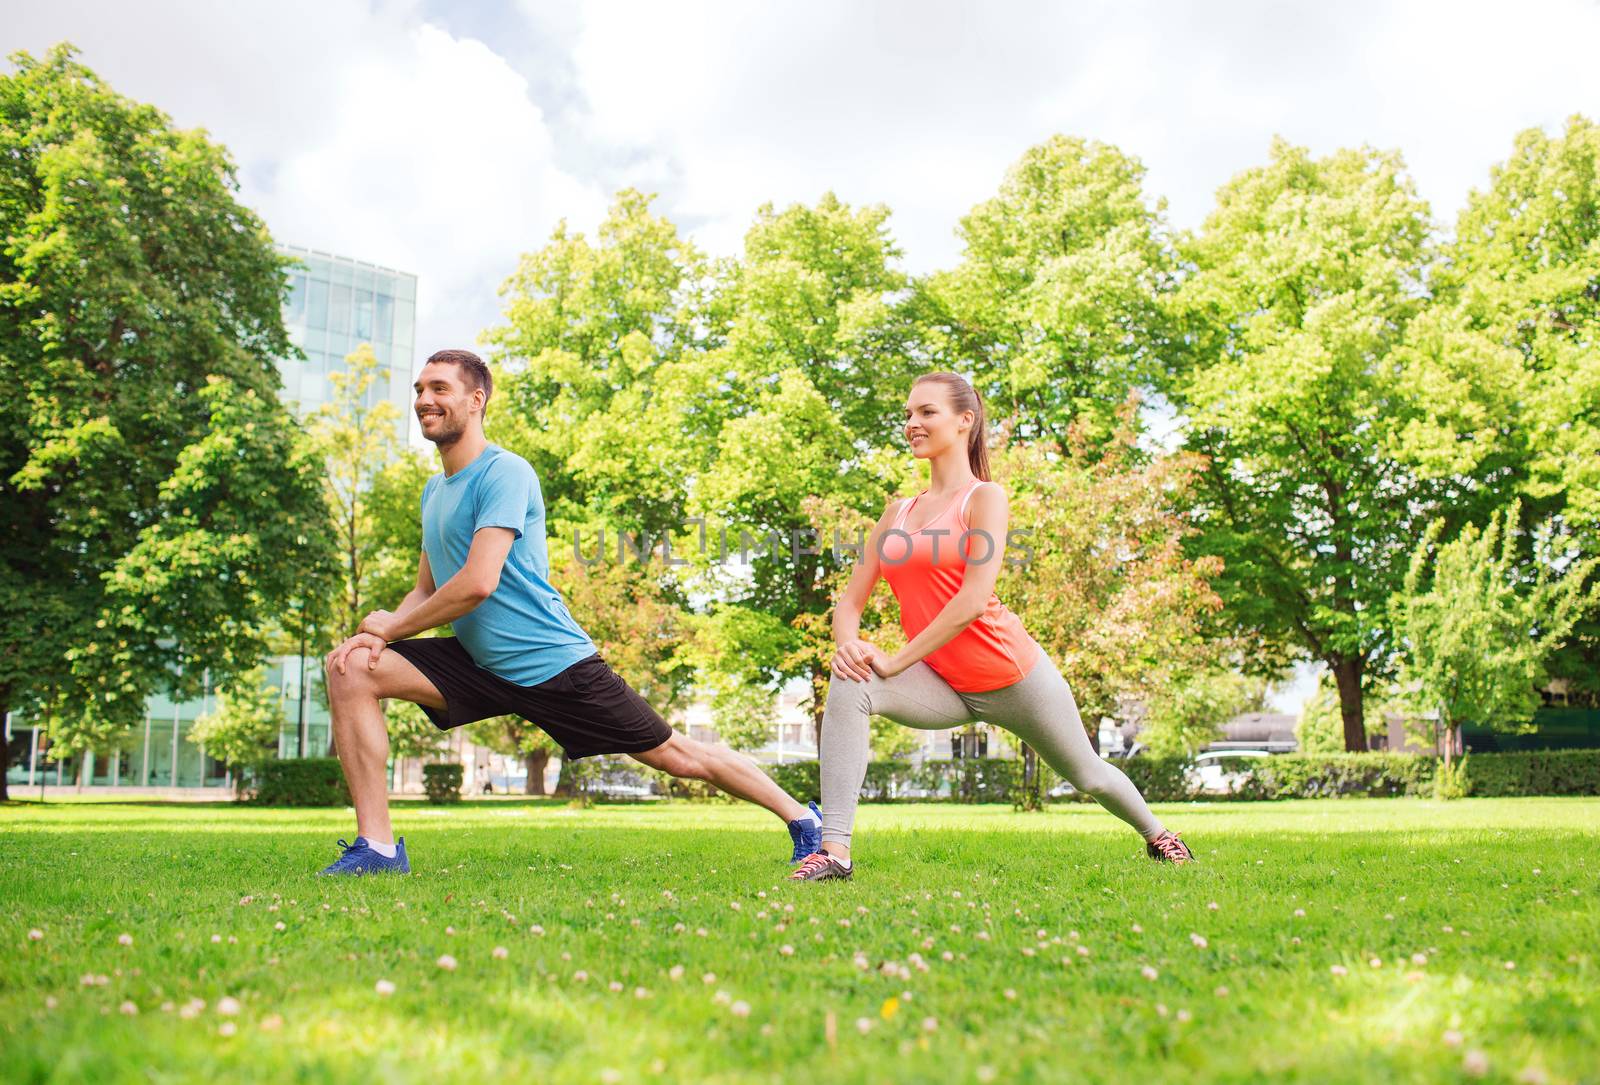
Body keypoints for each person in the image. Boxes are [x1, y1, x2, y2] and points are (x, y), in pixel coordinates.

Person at [318, 348, 820, 875]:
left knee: (676, 756)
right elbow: (427, 589)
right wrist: (380, 639)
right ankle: (375, 849)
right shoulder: (433, 490)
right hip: (478, 663)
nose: (424, 400)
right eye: (420, 390)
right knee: (351, 668)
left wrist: (392, 627)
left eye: (439, 389)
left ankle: (802, 819)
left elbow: (478, 583)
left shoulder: (505, 472)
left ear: (476, 399)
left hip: (552, 664)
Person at [790, 372, 1194, 882]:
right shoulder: (896, 514)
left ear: (965, 421)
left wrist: (894, 660)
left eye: (927, 412)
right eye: (908, 415)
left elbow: (973, 600)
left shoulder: (983, 498)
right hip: (942, 682)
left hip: (1012, 677)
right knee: (852, 682)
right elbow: (848, 605)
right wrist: (849, 648)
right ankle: (835, 853)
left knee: (1088, 774)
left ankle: (1160, 836)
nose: (913, 423)